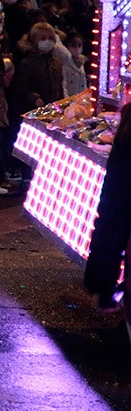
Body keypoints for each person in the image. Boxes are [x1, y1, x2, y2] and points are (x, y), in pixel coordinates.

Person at [84, 103, 131, 320]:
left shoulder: (125, 126)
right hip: (122, 198)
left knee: (108, 244)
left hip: (114, 196)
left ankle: (103, 291)